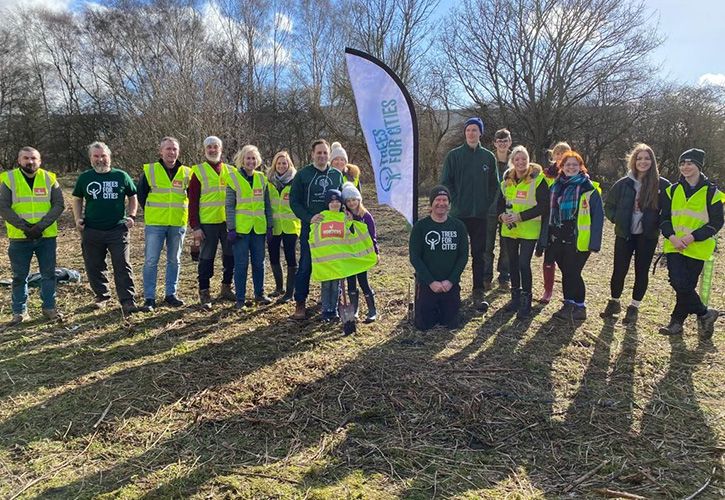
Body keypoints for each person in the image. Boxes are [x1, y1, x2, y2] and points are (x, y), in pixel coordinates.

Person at [601, 143, 670, 324]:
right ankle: (614, 302)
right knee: (619, 270)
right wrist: (618, 219)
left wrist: (657, 224)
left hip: (647, 236)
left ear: (652, 161)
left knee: (641, 271)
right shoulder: (623, 183)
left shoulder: (662, 185)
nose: (643, 162)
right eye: (639, 158)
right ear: (633, 160)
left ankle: (634, 307)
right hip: (624, 234)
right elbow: (608, 206)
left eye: (647, 158)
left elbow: (668, 212)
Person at [659, 148, 723, 338]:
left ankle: (676, 322)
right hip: (674, 245)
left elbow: (716, 222)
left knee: (685, 286)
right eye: (682, 163)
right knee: (678, 282)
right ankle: (705, 313)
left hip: (697, 248)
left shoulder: (712, 193)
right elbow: (664, 219)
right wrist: (672, 237)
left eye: (690, 163)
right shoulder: (671, 190)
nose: (685, 167)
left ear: (699, 166)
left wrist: (692, 237)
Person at [71, 142, 140, 314]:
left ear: (109, 157)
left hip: (117, 229)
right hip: (92, 229)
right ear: (91, 158)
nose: (100, 159)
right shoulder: (85, 178)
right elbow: (77, 198)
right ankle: (102, 296)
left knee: (122, 265)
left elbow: (133, 196)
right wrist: (78, 218)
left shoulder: (121, 176)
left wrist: (131, 216)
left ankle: (127, 300)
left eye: (103, 156)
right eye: (96, 156)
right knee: (94, 265)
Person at [0, 147, 65, 325]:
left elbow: (59, 205)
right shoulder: (8, 178)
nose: (30, 161)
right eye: (26, 158)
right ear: (19, 160)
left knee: (49, 274)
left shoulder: (49, 178)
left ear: (40, 160)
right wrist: (25, 228)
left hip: (46, 237)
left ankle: (49, 308)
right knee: (19, 276)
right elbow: (3, 207)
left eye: (34, 158)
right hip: (20, 237)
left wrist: (40, 226)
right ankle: (20, 312)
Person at [440, 117, 498, 311]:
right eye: (468, 130)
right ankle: (451, 289)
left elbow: (494, 185)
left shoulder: (488, 157)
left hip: (480, 216)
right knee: (453, 253)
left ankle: (478, 291)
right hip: (458, 214)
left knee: (479, 254)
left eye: (475, 130)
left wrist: (486, 204)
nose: (471, 133)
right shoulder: (454, 156)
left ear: (480, 133)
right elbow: (446, 182)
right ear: (465, 133)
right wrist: (455, 200)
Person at [289, 139, 344, 320]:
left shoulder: (336, 175)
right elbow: (294, 202)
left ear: (329, 155)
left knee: (332, 264)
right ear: (312, 154)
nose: (322, 156)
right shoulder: (303, 175)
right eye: (318, 153)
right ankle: (300, 302)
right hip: (311, 228)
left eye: (325, 153)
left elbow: (344, 200)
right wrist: (309, 217)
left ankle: (329, 304)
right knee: (306, 265)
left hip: (333, 230)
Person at [547, 151, 604, 321]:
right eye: (567, 164)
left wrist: (595, 243)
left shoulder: (589, 188)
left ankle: (575, 305)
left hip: (578, 239)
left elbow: (598, 217)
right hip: (557, 237)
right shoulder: (555, 186)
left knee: (573, 272)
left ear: (580, 167)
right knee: (567, 272)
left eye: (574, 164)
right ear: (561, 167)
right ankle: (574, 305)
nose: (571, 167)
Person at [137, 137, 190, 312]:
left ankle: (171, 294)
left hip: (177, 223)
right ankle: (149, 298)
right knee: (151, 261)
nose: (171, 152)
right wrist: (152, 211)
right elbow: (141, 195)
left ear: (178, 151)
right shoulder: (150, 171)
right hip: (155, 223)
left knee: (174, 260)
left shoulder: (186, 172)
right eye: (168, 149)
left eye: (174, 149)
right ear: (161, 151)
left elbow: (192, 196)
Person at [497, 147, 550, 319]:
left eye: (524, 159)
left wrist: (520, 216)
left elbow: (543, 206)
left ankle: (526, 300)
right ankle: (515, 297)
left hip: (529, 230)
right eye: (517, 159)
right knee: (512, 263)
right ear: (512, 161)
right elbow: (500, 203)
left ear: (529, 160)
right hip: (509, 230)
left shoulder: (538, 179)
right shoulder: (506, 180)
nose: (520, 162)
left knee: (523, 264)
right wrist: (501, 216)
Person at [409, 185, 469, 330]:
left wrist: (451, 281)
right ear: (431, 203)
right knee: (424, 325)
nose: (441, 203)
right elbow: (415, 257)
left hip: (450, 284)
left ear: (449, 204)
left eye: (444, 200)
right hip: (428, 284)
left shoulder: (458, 226)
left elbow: (463, 256)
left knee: (451, 323)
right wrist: (430, 282)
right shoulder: (420, 227)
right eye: (437, 200)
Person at [188, 136, 237, 309]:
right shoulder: (198, 172)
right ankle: (204, 291)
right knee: (206, 259)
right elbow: (192, 201)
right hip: (207, 224)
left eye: (215, 147)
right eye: (209, 147)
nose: (212, 150)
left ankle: (226, 287)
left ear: (221, 149)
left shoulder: (231, 171)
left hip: (228, 223)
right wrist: (195, 226)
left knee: (230, 257)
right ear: (204, 150)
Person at [225, 145, 273, 310]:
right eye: (248, 158)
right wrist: (231, 228)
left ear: (258, 160)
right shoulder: (233, 179)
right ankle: (240, 298)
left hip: (258, 228)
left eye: (254, 158)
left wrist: (270, 226)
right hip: (241, 230)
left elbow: (267, 205)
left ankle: (259, 294)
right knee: (241, 264)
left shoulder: (262, 179)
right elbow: (229, 206)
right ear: (242, 160)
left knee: (259, 263)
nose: (251, 161)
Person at [342, 181, 379, 322]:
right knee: (351, 282)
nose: (352, 203)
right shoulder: (344, 216)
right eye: (349, 200)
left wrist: (376, 252)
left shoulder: (366, 216)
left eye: (354, 200)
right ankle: (354, 310)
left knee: (363, 281)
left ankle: (372, 310)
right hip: (349, 255)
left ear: (359, 200)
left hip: (362, 255)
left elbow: (372, 235)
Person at [539, 141, 571, 304]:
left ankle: (569, 293)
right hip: (550, 222)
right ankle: (548, 290)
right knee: (549, 258)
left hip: (568, 222)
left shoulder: (575, 174)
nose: (559, 157)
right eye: (557, 154)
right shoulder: (546, 175)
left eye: (563, 153)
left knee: (567, 260)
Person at [266, 151, 299, 302]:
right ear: (274, 165)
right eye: (278, 163)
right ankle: (279, 288)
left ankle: (290, 292)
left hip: (290, 226)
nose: (281, 166)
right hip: (274, 226)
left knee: (290, 258)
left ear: (289, 164)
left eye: (284, 163)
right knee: (273, 257)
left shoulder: (295, 181)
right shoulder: (269, 182)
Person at [483, 128, 511, 290]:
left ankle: (504, 277)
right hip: (489, 210)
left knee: (506, 246)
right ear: (495, 143)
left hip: (508, 210)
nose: (502, 144)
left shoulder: (516, 162)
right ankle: (486, 277)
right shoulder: (488, 160)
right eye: (499, 141)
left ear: (510, 142)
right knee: (487, 246)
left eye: (505, 140)